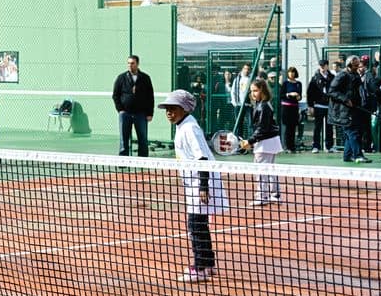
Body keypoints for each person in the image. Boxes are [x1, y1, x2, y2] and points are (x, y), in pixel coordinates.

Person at [157, 90, 226, 284]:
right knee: (199, 225)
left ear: (185, 109)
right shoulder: (182, 126)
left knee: (195, 225)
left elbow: (201, 158)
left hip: (201, 182)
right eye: (167, 109)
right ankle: (209, 264)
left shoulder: (190, 128)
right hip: (194, 182)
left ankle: (200, 267)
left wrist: (203, 186)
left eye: (173, 108)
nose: (169, 112)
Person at [240, 79, 282, 206]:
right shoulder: (261, 104)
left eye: (256, 90)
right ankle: (275, 195)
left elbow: (262, 128)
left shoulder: (264, 106)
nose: (253, 93)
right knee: (269, 170)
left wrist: (250, 141)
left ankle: (262, 196)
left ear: (263, 90)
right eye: (252, 91)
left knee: (261, 170)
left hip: (266, 143)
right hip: (269, 142)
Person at [328, 56, 371, 163]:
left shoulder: (355, 74)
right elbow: (331, 91)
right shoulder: (342, 75)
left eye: (358, 65)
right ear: (349, 65)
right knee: (352, 132)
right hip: (343, 110)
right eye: (355, 65)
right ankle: (358, 155)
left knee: (350, 133)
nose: (357, 67)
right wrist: (345, 99)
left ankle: (347, 156)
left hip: (354, 109)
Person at [112, 55, 155, 157]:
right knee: (124, 139)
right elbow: (115, 95)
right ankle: (123, 161)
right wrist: (120, 110)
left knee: (143, 139)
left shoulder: (145, 78)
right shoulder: (121, 78)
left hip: (141, 114)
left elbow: (150, 97)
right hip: (125, 114)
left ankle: (143, 161)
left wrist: (150, 113)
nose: (130, 65)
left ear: (137, 64)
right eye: (128, 63)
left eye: (132, 63)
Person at [280, 66, 302, 153]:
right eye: (290, 72)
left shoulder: (298, 83)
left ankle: (292, 147)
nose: (291, 74)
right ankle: (287, 146)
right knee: (287, 127)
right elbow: (281, 95)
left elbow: (299, 96)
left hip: (294, 107)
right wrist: (289, 94)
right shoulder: (285, 83)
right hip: (286, 107)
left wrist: (298, 96)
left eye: (293, 72)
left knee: (293, 127)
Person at [230, 63, 252, 135]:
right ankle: (239, 140)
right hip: (239, 105)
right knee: (239, 124)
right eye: (245, 69)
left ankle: (251, 141)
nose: (246, 71)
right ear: (242, 69)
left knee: (250, 124)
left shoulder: (252, 79)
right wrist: (235, 103)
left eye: (248, 69)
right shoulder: (237, 79)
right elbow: (233, 91)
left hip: (249, 105)